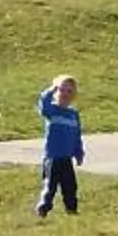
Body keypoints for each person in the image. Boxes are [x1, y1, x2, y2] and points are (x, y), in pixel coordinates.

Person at [36, 73, 83, 217]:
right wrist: (52, 89)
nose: (65, 94)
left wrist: (78, 152)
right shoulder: (52, 110)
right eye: (62, 90)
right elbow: (43, 103)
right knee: (51, 185)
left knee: (70, 185)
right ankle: (44, 207)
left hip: (66, 158)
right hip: (52, 157)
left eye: (69, 91)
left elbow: (76, 135)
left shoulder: (73, 114)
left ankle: (71, 209)